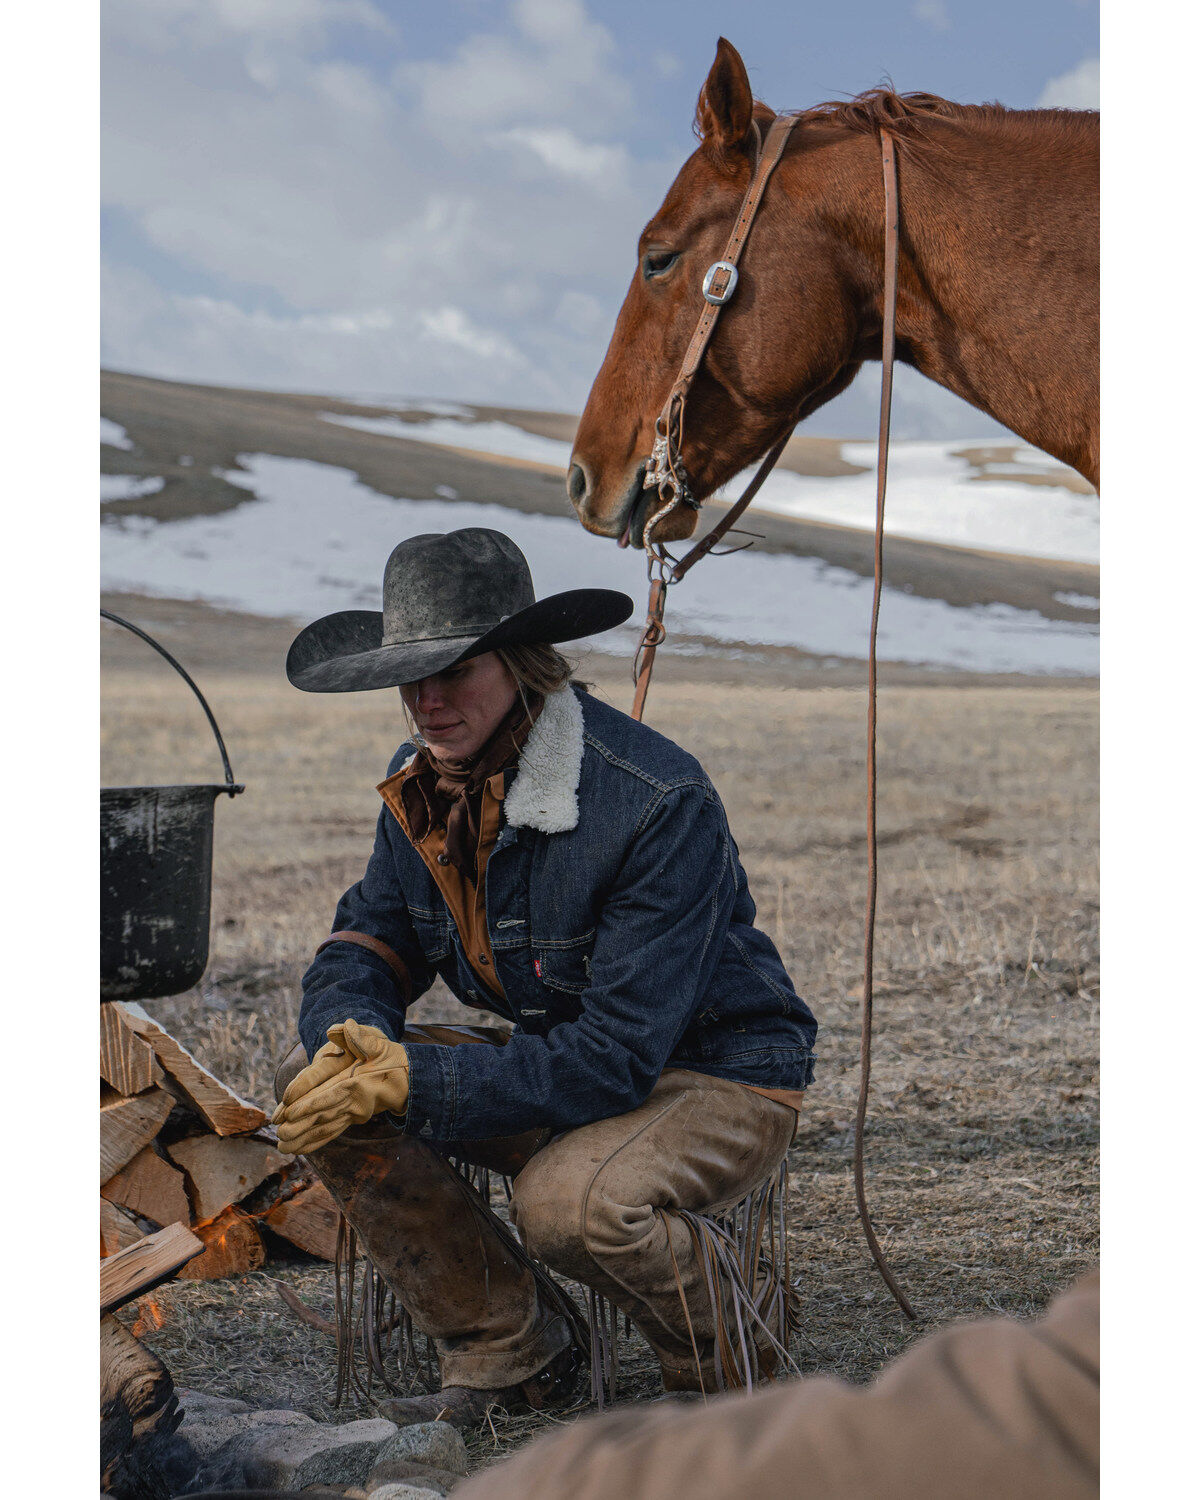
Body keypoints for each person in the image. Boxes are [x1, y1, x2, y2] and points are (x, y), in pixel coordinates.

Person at [272, 527, 818, 1425]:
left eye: (458, 672)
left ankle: (736, 1366)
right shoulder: (421, 780)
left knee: (569, 1206)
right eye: (414, 676)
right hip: (576, 1062)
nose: (429, 702)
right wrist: (352, 1035)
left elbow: (615, 1061)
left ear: (524, 664)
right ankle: (512, 1359)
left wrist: (417, 1076)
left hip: (716, 1075)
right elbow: (370, 936)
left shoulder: (651, 798)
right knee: (320, 1090)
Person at [451, 1270, 1100, 1500]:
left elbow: (1003, 1437)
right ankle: (508, 1357)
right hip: (535, 1076)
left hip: (697, 1081)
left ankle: (729, 1342)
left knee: (580, 1201)